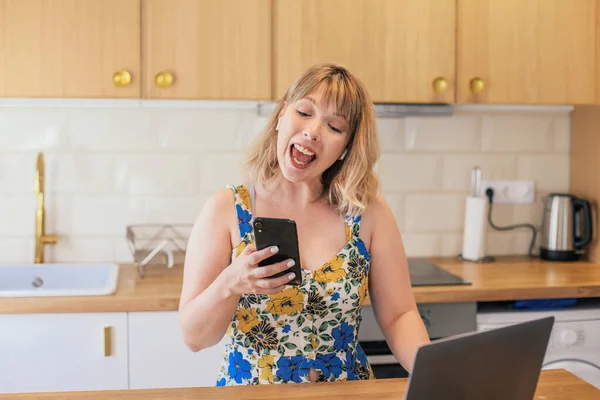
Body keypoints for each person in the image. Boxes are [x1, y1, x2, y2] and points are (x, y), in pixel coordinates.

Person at [178, 62, 430, 386]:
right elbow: (194, 337)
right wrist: (231, 282)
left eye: (334, 127)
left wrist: (435, 378)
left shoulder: (367, 212)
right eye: (305, 112)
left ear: (345, 148)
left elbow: (400, 316)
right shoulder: (227, 209)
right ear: (282, 115)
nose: (312, 131)